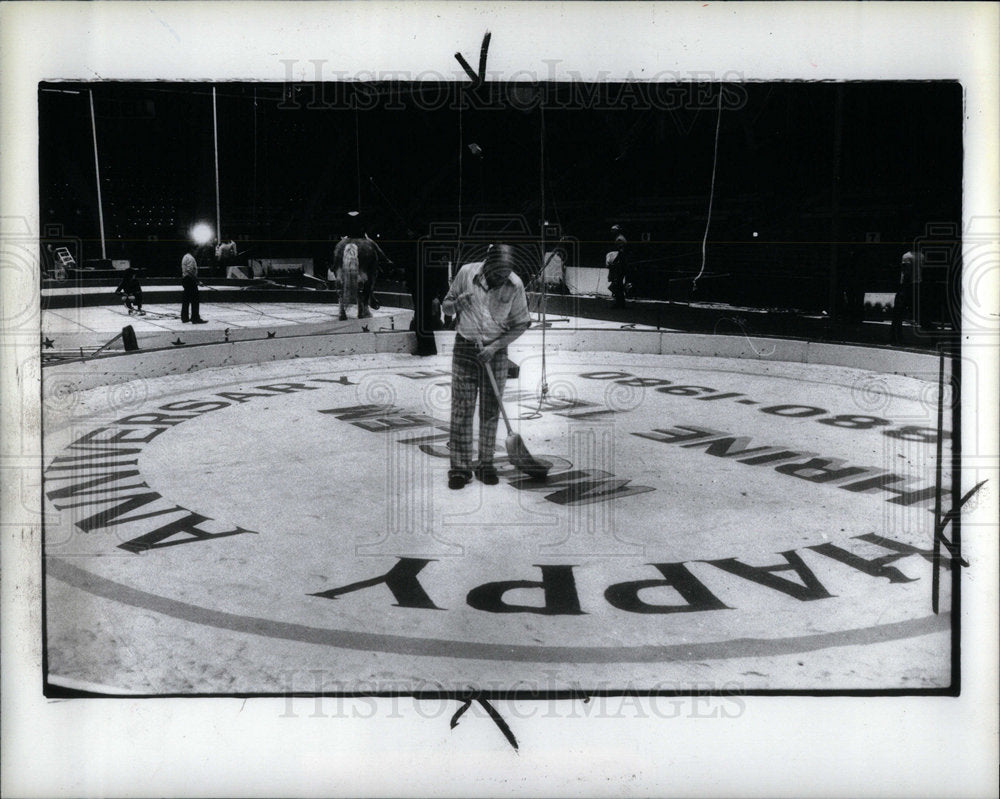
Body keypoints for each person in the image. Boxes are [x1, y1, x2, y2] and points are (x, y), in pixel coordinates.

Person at [441, 243, 532, 490]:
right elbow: (445, 306)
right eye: (498, 273)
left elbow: (521, 323)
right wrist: (457, 303)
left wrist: (493, 347)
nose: (503, 278)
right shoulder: (466, 273)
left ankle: (485, 464)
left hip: (496, 351)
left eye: (506, 273)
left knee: (491, 411)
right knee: (462, 410)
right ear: (487, 264)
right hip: (465, 348)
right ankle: (460, 469)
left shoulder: (515, 284)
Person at [891, 246, 921, 343]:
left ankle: (895, 337)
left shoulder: (906, 256)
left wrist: (902, 287)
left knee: (897, 313)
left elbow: (907, 273)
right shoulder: (921, 256)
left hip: (907, 286)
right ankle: (934, 335)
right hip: (917, 284)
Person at [181, 245, 207, 324]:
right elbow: (190, 271)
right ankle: (195, 318)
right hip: (190, 280)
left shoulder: (185, 257)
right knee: (195, 300)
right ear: (193, 250)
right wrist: (198, 281)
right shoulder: (191, 258)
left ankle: (184, 317)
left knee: (186, 299)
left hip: (185, 279)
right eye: (196, 250)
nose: (197, 252)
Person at [606, 224, 629, 308]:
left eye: (613, 230)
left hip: (621, 264)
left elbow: (621, 252)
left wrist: (615, 262)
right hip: (621, 263)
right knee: (618, 283)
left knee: (617, 283)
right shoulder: (619, 238)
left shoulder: (619, 239)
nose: (612, 232)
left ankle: (619, 303)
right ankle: (620, 302)